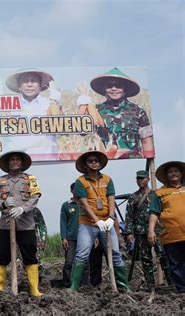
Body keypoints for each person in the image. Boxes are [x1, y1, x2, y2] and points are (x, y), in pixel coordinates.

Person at [68, 150, 130, 292]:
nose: (94, 163)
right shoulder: (80, 181)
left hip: (107, 223)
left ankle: (123, 286)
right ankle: (74, 286)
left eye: (96, 160)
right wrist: (97, 221)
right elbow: (84, 203)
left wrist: (111, 217)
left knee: (115, 253)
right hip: (87, 223)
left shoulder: (107, 179)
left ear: (100, 163)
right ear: (85, 164)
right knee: (81, 253)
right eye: (90, 161)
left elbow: (111, 199)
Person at [0, 151, 42, 297]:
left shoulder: (30, 179)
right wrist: (4, 203)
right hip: (6, 225)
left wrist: (22, 209)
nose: (14, 162)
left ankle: (34, 289)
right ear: (8, 163)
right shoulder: (0, 180)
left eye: (17, 160)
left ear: (21, 163)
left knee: (30, 256)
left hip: (26, 225)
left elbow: (35, 196)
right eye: (12, 160)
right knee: (1, 256)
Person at [90, 67, 154, 159]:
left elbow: (146, 141)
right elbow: (87, 136)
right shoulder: (96, 111)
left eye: (118, 85)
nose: (114, 89)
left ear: (125, 89)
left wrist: (149, 162)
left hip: (132, 160)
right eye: (109, 86)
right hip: (103, 161)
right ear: (104, 89)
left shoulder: (138, 111)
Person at [125, 170, 173, 291]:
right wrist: (129, 232)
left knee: (163, 256)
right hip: (141, 232)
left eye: (143, 178)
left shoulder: (156, 194)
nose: (140, 181)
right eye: (138, 179)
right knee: (146, 259)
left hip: (157, 231)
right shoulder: (133, 197)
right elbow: (129, 216)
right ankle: (150, 285)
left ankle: (172, 282)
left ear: (148, 179)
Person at [4, 70, 62, 156]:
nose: (29, 84)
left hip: (46, 159)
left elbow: (63, 126)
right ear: (19, 86)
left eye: (33, 81)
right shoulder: (9, 106)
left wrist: (54, 102)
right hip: (17, 159)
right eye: (25, 81)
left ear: (40, 85)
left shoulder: (50, 104)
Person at [148, 161, 185, 293]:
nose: (173, 174)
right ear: (166, 176)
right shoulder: (160, 193)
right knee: (176, 265)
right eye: (170, 172)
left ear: (181, 174)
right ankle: (182, 291)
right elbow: (154, 213)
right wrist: (151, 231)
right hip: (171, 235)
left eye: (176, 171)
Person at [33, 207, 47, 282]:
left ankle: (39, 280)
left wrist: (43, 239)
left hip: (35, 238)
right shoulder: (18, 209)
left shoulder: (35, 210)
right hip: (21, 238)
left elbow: (42, 226)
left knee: (37, 260)